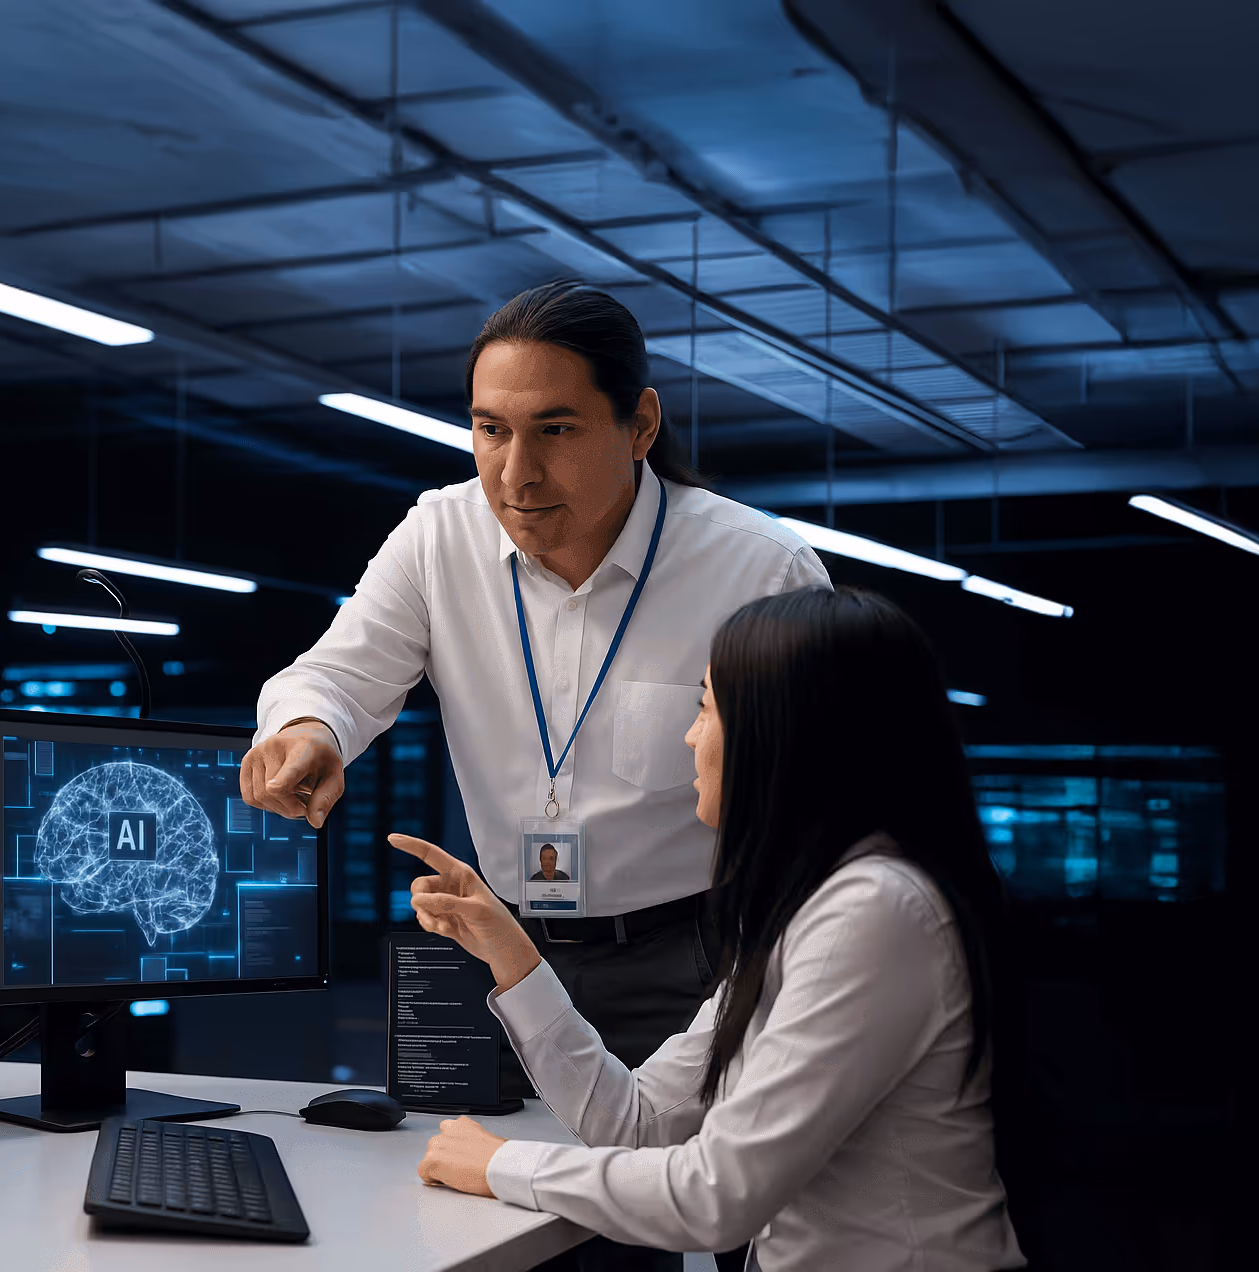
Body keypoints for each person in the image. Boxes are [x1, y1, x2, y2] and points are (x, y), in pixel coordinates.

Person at [243, 282, 829, 1075]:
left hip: (691, 960)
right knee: (468, 1182)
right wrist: (309, 729)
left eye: (555, 430)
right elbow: (337, 676)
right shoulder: (438, 536)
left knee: (668, 1184)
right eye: (491, 430)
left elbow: (817, 805)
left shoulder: (755, 569)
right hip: (501, 949)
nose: (517, 474)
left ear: (640, 426)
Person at [399, 587, 1024, 1271]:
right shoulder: (811, 906)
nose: (690, 737)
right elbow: (636, 1124)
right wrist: (512, 957)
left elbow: (716, 1196)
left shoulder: (874, 912)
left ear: (778, 736)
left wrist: (503, 1165)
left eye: (703, 708)